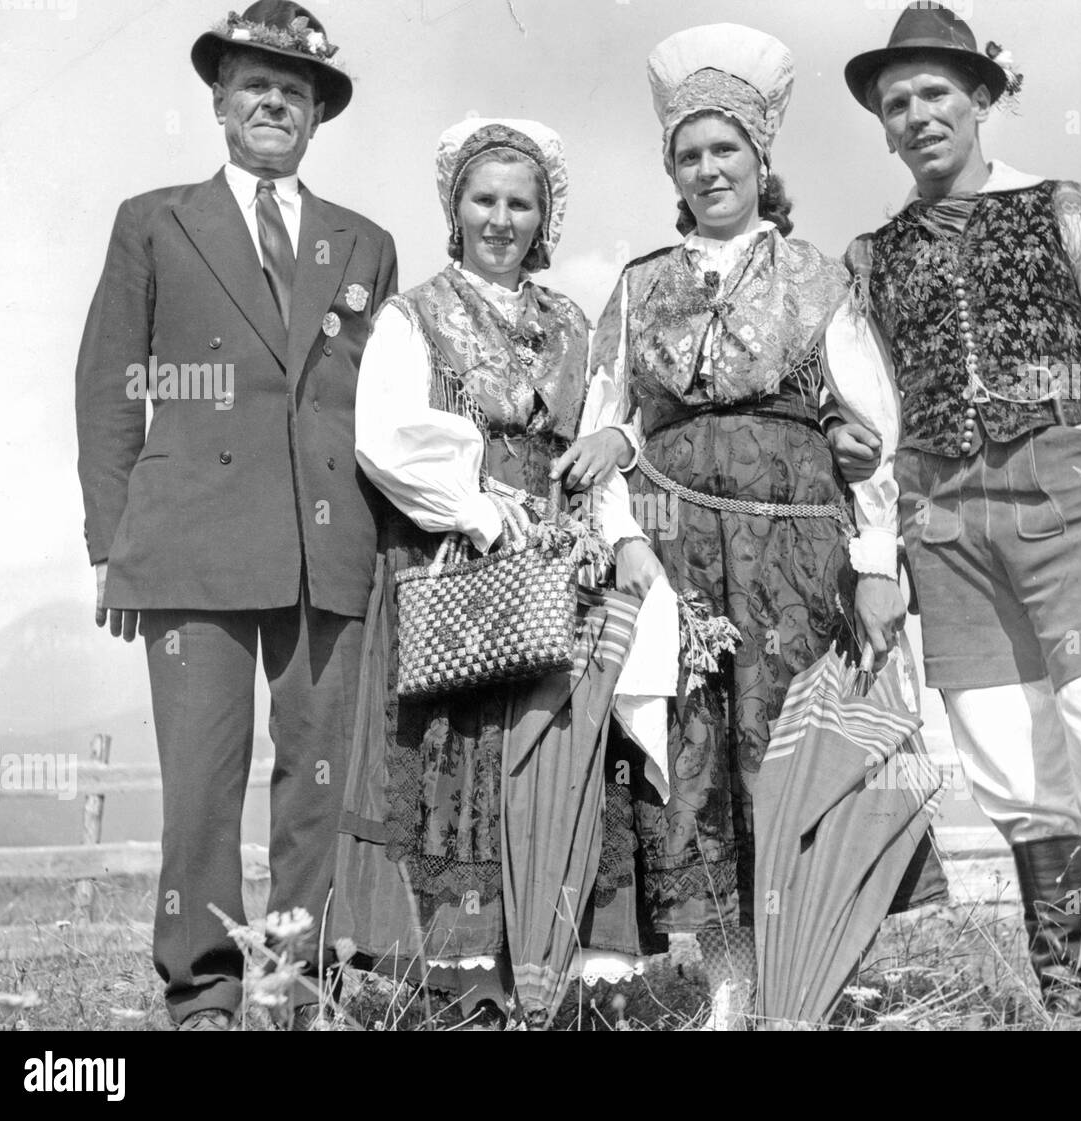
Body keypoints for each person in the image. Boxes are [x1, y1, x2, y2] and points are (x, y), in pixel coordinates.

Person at [831, 2, 1081, 1016]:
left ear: (984, 97)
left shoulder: (1065, 206)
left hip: (1073, 493)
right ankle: (1080, 1008)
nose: (914, 115)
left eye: (934, 94)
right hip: (944, 522)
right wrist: (876, 559)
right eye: (894, 101)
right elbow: (870, 418)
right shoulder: (868, 259)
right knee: (1009, 762)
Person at [552, 24, 911, 1029]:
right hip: (676, 552)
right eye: (689, 153)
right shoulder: (637, 285)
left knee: (793, 758)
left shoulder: (818, 277)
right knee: (693, 757)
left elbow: (873, 431)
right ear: (672, 168)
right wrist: (625, 541)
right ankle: (730, 977)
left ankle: (814, 973)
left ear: (762, 161)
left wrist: (877, 563)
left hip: (798, 551)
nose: (708, 168)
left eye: (726, 150)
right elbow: (605, 423)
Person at [75, 1, 397, 1030]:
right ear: (217, 102)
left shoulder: (365, 243)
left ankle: (295, 982)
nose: (272, 102)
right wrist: (109, 546)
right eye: (254, 84)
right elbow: (112, 387)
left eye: (293, 90)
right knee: (204, 784)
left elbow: (383, 405)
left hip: (327, 545)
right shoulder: (154, 219)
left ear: (316, 116)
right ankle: (205, 989)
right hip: (188, 545)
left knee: (317, 780)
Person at [332, 117, 656, 1029]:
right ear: (455, 207)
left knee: (552, 759)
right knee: (461, 754)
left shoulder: (570, 323)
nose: (501, 218)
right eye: (485, 199)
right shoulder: (415, 314)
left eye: (521, 202)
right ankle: (458, 980)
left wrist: (621, 532)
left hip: (558, 563)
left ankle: (549, 970)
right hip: (456, 559)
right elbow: (384, 436)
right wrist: (478, 512)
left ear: (544, 216)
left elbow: (600, 443)